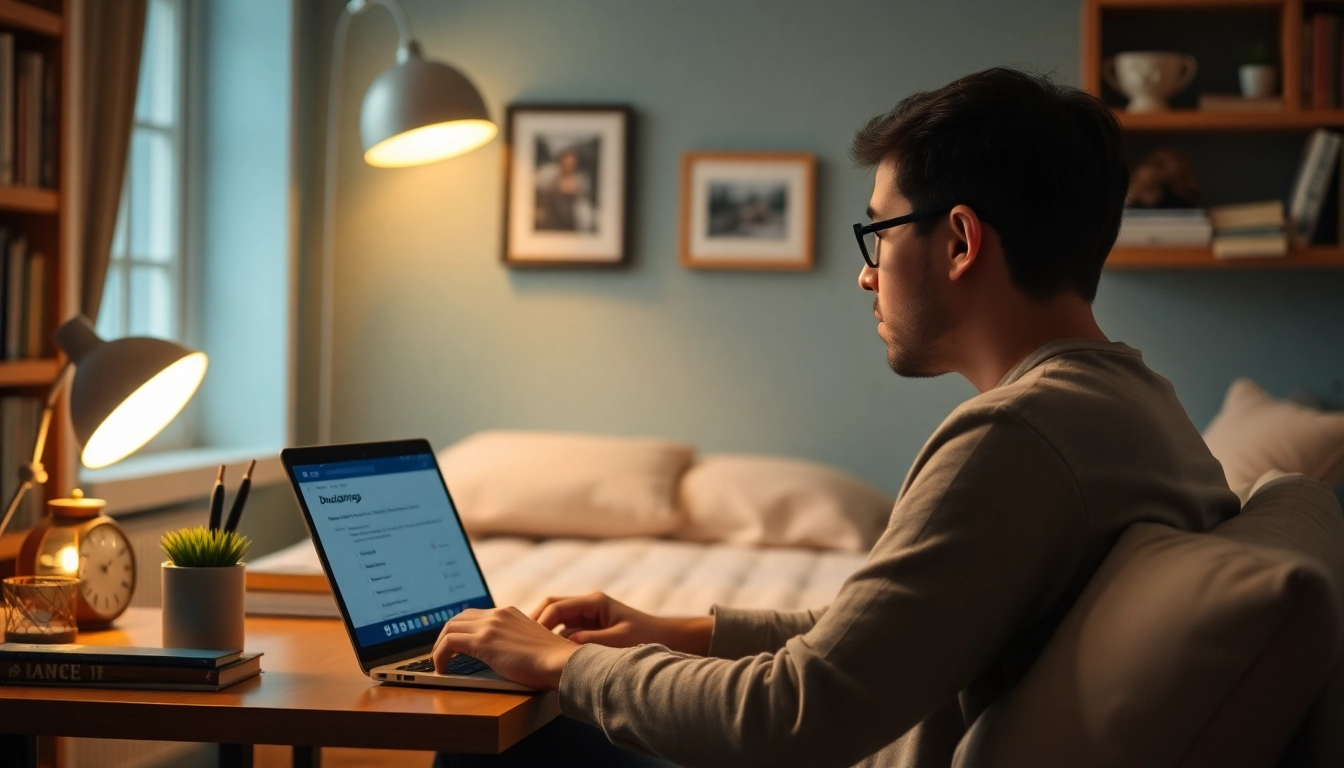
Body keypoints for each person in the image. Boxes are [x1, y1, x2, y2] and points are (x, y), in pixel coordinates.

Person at [432, 67, 1241, 767]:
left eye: (878, 233)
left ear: (959, 241)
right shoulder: (1135, 403)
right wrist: (673, 633)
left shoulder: (1014, 437)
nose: (867, 277)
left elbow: (798, 713)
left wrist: (561, 667)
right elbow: (880, 635)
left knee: (513, 734)